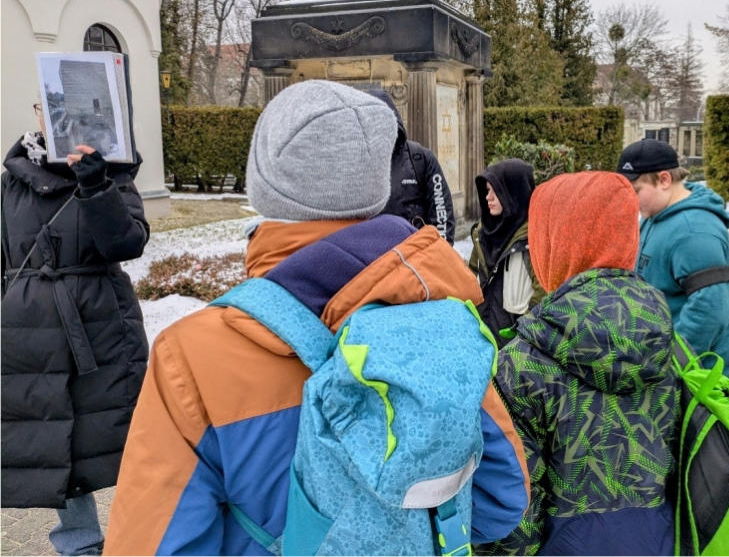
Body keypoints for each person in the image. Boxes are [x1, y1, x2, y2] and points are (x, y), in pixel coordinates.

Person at [104, 80, 529, 555]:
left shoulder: (191, 356)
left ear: (263, 187)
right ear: (377, 185)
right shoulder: (442, 322)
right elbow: (501, 500)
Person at [483, 171, 679, 556]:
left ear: (555, 244)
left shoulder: (522, 364)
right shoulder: (668, 342)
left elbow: (514, 511)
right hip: (657, 541)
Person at [1, 103, 149, 556]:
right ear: (38, 113)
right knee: (54, 434)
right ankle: (79, 543)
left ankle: (143, 531)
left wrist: (96, 185)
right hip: (28, 330)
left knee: (123, 429)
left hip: (102, 323)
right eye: (49, 106)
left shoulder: (112, 173)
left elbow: (127, 243)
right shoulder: (11, 180)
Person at [616, 138, 729, 377]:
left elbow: (710, 312)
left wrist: (663, 369)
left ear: (664, 180)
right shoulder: (656, 215)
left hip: (695, 378)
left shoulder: (695, 231)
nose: (630, 201)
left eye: (636, 191)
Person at [467, 159, 545, 346]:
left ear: (512, 193)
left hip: (516, 343)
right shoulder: (482, 232)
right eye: (487, 191)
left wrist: (523, 335)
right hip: (481, 335)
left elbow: (543, 294)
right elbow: (469, 275)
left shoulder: (534, 238)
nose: (488, 197)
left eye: (495, 191)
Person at [368, 89, 456, 244]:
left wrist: (440, 253)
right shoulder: (353, 163)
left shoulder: (421, 159)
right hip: (371, 256)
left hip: (414, 255)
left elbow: (442, 216)